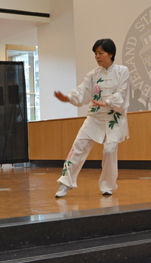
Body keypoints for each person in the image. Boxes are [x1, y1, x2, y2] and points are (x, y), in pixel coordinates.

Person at [54, 38, 130, 198]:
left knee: (110, 150)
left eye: (100, 53)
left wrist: (107, 102)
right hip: (94, 118)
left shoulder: (123, 71)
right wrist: (68, 97)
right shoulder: (93, 75)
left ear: (111, 54)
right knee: (78, 146)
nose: (97, 56)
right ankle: (65, 183)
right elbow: (82, 91)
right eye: (95, 54)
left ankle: (107, 185)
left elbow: (121, 93)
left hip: (113, 119)